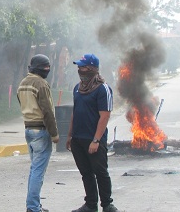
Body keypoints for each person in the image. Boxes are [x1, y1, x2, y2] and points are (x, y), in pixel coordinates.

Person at [67, 54, 119, 212]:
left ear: (92, 69)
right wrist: (69, 135)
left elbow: (105, 116)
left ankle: (107, 205)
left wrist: (96, 140)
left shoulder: (103, 89)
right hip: (78, 139)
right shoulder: (77, 88)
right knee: (86, 173)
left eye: (83, 67)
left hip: (94, 140)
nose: (80, 69)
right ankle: (90, 204)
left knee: (100, 172)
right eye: (79, 67)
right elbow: (75, 113)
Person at [17, 54, 59, 212]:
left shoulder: (23, 83)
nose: (48, 70)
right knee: (38, 171)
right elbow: (47, 111)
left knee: (34, 168)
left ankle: (34, 204)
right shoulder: (41, 84)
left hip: (28, 129)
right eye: (46, 67)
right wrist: (54, 134)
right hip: (41, 131)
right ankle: (33, 207)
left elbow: (20, 102)